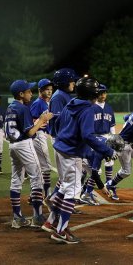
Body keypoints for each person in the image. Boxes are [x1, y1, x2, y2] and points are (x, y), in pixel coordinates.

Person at [47, 77, 117, 244]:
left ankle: (50, 221)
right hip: (71, 153)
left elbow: (57, 124)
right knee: (72, 192)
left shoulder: (71, 103)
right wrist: (106, 149)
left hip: (60, 148)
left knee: (65, 187)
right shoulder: (88, 109)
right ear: (93, 93)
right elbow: (87, 135)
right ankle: (60, 231)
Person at [4, 79, 53, 229]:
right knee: (36, 177)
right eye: (28, 91)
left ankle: (17, 217)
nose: (31, 93)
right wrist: (41, 120)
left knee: (16, 179)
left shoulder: (10, 107)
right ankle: (37, 216)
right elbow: (31, 132)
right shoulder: (22, 108)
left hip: (12, 146)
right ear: (20, 94)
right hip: (24, 144)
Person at [80, 83, 117, 204]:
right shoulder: (90, 107)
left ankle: (85, 190)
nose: (103, 95)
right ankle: (84, 191)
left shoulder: (109, 108)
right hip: (93, 139)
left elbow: (112, 126)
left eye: (104, 92)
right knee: (92, 169)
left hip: (105, 139)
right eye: (100, 92)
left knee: (93, 167)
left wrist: (112, 140)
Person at [47, 68, 80, 202]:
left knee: (70, 175)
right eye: (72, 81)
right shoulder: (59, 97)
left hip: (65, 139)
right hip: (62, 139)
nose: (74, 83)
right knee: (68, 177)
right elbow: (59, 122)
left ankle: (55, 200)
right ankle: (57, 202)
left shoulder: (63, 95)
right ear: (64, 82)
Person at [30, 79, 54, 203]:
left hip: (42, 135)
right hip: (38, 136)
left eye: (50, 89)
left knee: (39, 167)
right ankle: (47, 194)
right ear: (40, 90)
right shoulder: (38, 103)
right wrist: (39, 124)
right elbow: (32, 122)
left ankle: (33, 194)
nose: (49, 91)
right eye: (46, 89)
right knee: (46, 167)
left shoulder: (46, 103)